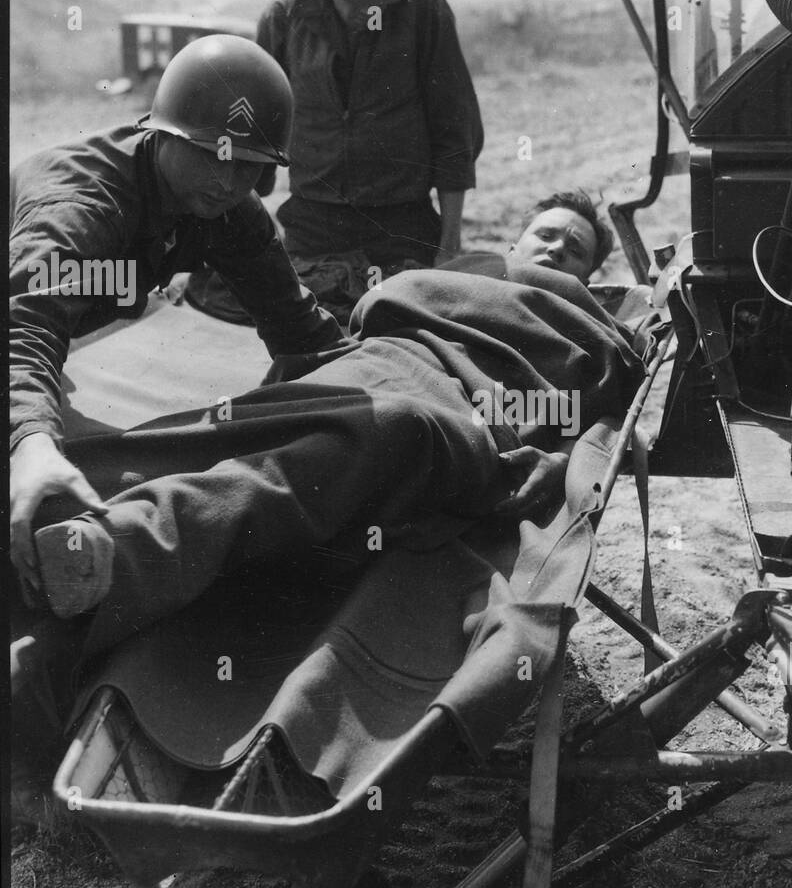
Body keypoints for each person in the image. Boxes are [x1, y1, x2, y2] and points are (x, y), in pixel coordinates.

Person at [11, 205, 641, 821]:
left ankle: (120, 550)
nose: (556, 248)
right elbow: (376, 313)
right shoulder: (461, 273)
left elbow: (598, 395)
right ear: (514, 242)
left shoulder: (582, 320)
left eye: (575, 248)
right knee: (219, 437)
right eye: (546, 233)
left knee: (369, 438)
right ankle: (71, 545)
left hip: (449, 412)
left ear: (589, 275)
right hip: (370, 370)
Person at [9, 35, 347, 605]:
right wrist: (31, 442)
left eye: (250, 168)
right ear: (160, 133)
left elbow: (300, 329)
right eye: (213, 155)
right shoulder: (81, 205)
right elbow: (26, 328)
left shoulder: (223, 204)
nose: (229, 181)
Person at [187, 0, 483, 325]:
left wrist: (449, 241)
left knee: (404, 318)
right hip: (312, 223)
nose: (370, 9)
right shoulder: (284, 18)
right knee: (250, 303)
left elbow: (453, 131)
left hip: (401, 225)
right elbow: (252, 131)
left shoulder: (426, 13)